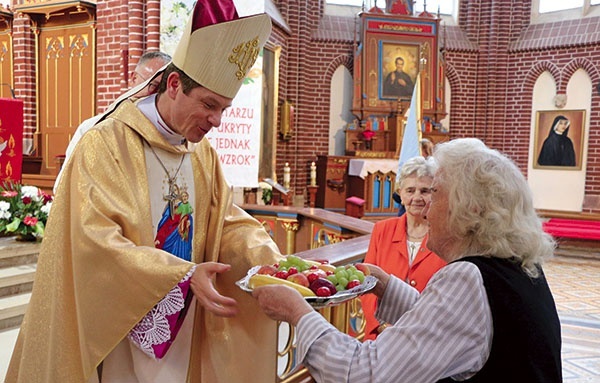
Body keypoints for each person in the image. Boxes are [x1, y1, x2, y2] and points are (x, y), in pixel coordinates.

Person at [7, 1, 280, 382]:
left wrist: (271, 262)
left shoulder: (201, 154)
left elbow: (227, 223)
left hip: (187, 320)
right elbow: (93, 242)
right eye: (209, 105)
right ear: (173, 86)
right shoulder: (105, 144)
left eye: (225, 109)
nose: (217, 121)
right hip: (121, 324)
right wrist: (181, 275)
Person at [253, 138, 562, 382]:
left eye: (436, 193)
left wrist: (297, 312)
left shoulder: (468, 277)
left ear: (468, 210)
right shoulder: (518, 266)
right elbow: (458, 328)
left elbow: (366, 374)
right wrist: (386, 287)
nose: (425, 208)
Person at [54, 51, 171, 192]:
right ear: (133, 78)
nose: (156, 95)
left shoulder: (171, 137)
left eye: (163, 90)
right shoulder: (95, 127)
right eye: (153, 85)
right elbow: (65, 185)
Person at [360, 156, 445, 340]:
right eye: (410, 190)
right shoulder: (382, 229)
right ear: (400, 193)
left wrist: (415, 328)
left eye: (424, 191)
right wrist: (381, 325)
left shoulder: (445, 236)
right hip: (381, 337)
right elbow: (366, 285)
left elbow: (445, 296)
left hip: (425, 338)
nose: (416, 197)